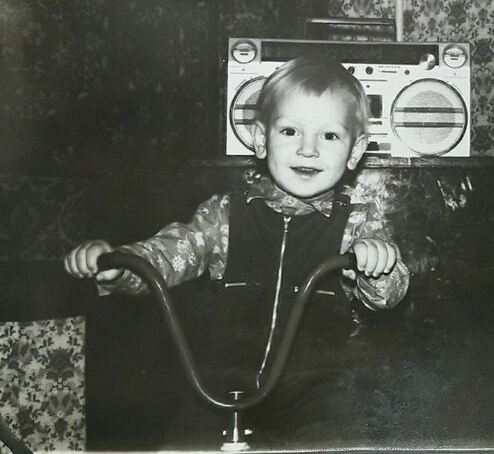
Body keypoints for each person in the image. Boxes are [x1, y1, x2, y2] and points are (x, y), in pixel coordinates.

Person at [63, 56, 410, 450]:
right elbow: (169, 254)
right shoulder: (224, 214)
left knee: (343, 442)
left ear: (355, 150)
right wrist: (120, 265)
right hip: (219, 388)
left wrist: (378, 264)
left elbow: (390, 293)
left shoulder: (356, 223)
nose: (308, 149)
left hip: (316, 395)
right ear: (261, 139)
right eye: (290, 131)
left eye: (329, 136)